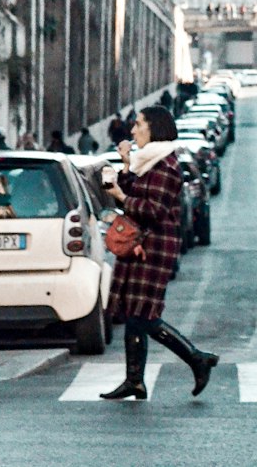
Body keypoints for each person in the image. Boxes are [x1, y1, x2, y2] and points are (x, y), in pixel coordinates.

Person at [98, 104, 219, 402]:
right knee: (134, 315)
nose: (133, 130)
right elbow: (136, 194)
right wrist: (126, 166)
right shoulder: (147, 162)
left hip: (152, 248)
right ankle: (135, 380)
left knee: (145, 316)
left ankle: (195, 358)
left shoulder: (166, 166)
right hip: (139, 245)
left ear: (154, 129)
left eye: (139, 124)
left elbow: (153, 209)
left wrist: (121, 195)